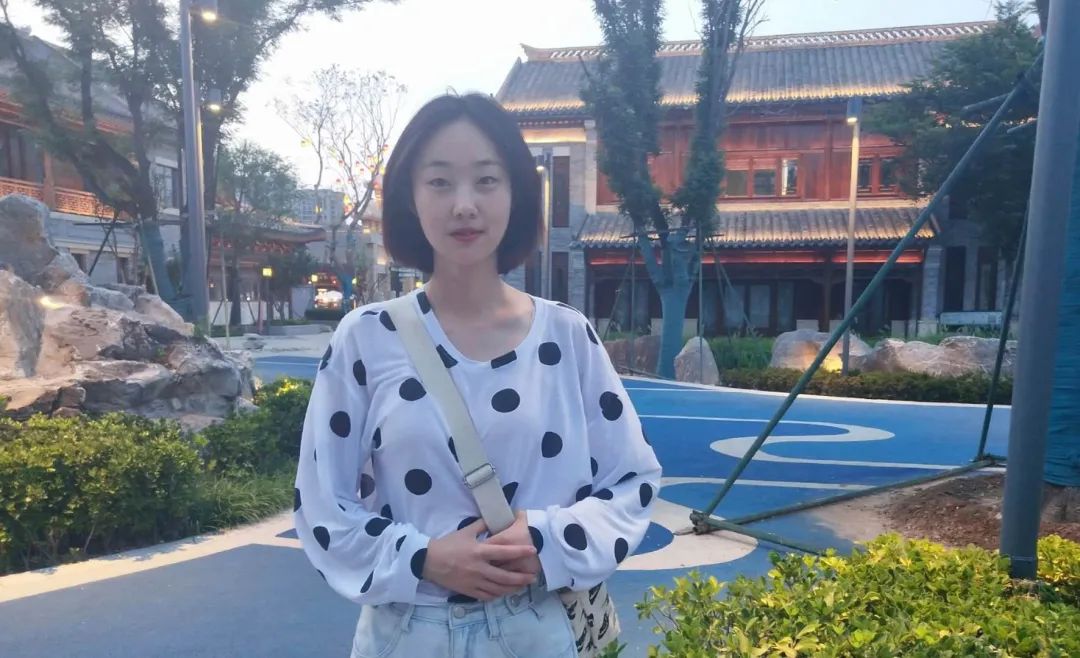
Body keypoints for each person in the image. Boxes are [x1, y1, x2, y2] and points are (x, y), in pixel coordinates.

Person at [293, 93, 662, 658]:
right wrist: (422, 558)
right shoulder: (365, 338)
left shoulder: (567, 336)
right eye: (440, 182)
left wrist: (546, 541)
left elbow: (632, 480)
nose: (464, 205)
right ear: (410, 197)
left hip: (538, 628)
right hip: (407, 633)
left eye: (486, 180)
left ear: (516, 193)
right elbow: (322, 502)